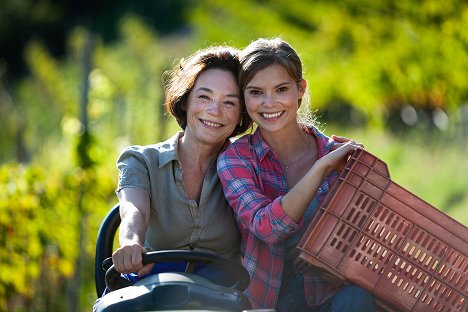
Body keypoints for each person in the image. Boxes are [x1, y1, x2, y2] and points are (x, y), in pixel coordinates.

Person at [217, 38, 376, 311]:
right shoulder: (235, 160)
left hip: (332, 295)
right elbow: (267, 228)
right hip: (269, 301)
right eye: (256, 92)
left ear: (300, 89)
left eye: (281, 89)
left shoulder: (338, 154)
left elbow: (367, 239)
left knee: (358, 300)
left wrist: (368, 177)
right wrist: (320, 168)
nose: (269, 103)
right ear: (243, 97)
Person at [105, 45, 252, 291]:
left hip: (223, 295)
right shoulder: (142, 161)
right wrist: (131, 242)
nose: (215, 111)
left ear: (241, 115)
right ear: (185, 101)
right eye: (204, 97)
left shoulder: (249, 165)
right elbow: (133, 212)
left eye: (229, 102)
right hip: (153, 289)